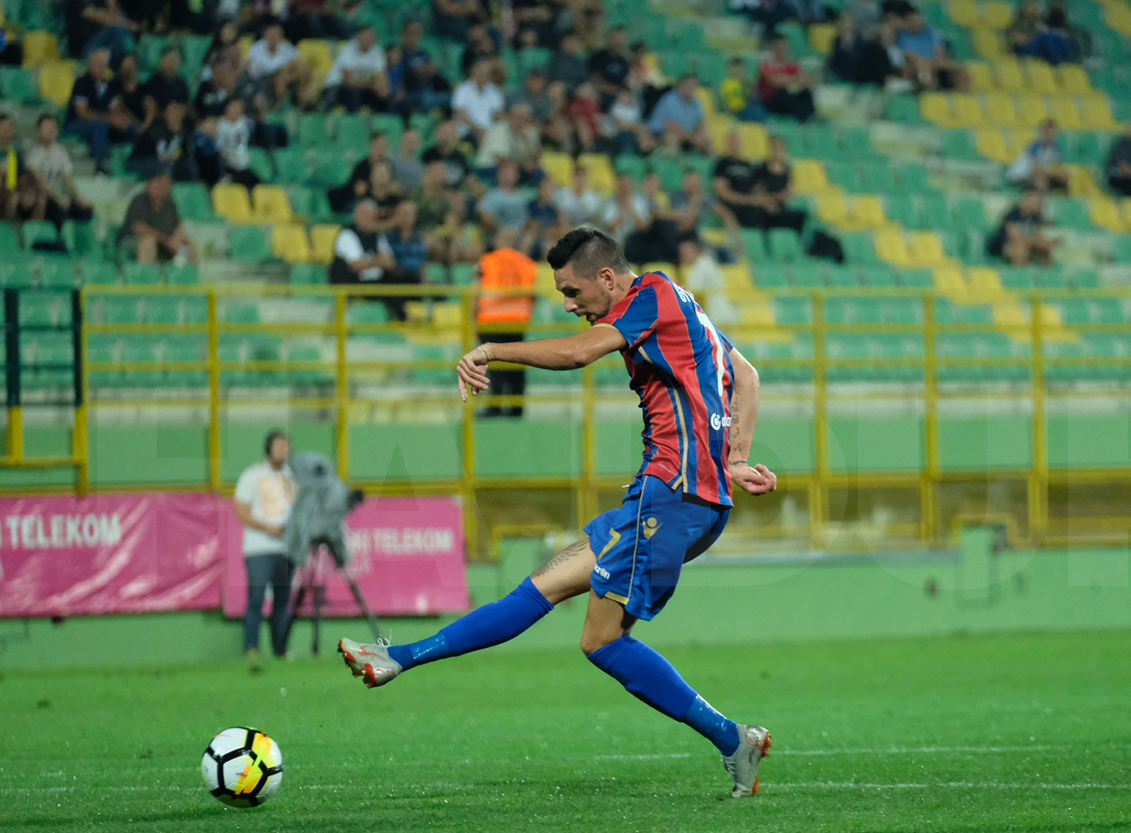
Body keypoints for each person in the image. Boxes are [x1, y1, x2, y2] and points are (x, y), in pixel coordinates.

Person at [338, 227, 778, 799]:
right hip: (672, 497)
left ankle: (731, 739)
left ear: (607, 278)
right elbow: (746, 375)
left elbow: (575, 354)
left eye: (573, 292)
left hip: (668, 497)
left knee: (601, 642)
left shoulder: (650, 296)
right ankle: (397, 657)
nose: (570, 306)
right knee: (537, 589)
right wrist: (732, 459)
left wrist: (492, 347)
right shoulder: (675, 300)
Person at [235, 429, 296, 661]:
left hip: (285, 549)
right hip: (259, 549)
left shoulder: (291, 477)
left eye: (287, 446)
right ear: (269, 448)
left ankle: (280, 650)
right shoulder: (252, 475)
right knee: (256, 599)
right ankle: (252, 648)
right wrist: (266, 527)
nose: (285, 450)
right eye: (281, 445)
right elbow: (241, 511)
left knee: (282, 601)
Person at [473, 228, 536, 417]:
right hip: (517, 323)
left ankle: (495, 408)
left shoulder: (486, 262)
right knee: (516, 367)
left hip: (491, 322)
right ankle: (517, 409)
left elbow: (474, 292)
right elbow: (532, 295)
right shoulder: (526, 263)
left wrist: (472, 322)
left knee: (496, 369)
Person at [66, 47, 134, 174]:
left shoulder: (109, 86)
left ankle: (134, 162)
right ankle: (100, 163)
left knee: (130, 126)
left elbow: (116, 108)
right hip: (76, 124)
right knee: (100, 126)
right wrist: (109, 119)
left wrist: (121, 119)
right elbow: (82, 113)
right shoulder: (82, 83)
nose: (98, 66)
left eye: (102, 63)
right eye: (95, 63)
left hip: (102, 121)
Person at [24, 113, 94, 228]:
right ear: (38, 130)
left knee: (86, 211)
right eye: (46, 128)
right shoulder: (33, 151)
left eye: (53, 128)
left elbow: (66, 177)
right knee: (59, 209)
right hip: (40, 196)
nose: (50, 131)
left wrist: (78, 196)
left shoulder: (60, 150)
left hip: (56, 194)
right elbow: (39, 182)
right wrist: (57, 198)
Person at [120, 168, 197, 262]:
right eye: (158, 182)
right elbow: (140, 229)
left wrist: (179, 239)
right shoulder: (140, 201)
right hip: (134, 240)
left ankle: (187, 273)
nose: (161, 186)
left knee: (187, 243)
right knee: (149, 241)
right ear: (150, 184)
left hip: (163, 241)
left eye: (165, 183)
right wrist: (166, 240)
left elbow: (177, 226)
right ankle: (145, 274)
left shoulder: (170, 204)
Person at [891, 7, 968, 92]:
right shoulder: (903, 36)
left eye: (917, 19)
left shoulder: (930, 32)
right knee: (921, 63)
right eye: (912, 20)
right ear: (907, 21)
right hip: (917, 64)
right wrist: (925, 61)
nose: (915, 22)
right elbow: (907, 54)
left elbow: (939, 49)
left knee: (962, 70)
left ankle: (964, 98)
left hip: (935, 61)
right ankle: (927, 92)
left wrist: (938, 60)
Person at [247, 21, 316, 108]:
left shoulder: (286, 47)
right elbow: (254, 71)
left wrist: (287, 70)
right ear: (265, 36)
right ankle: (279, 105)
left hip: (286, 75)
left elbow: (297, 62)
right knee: (282, 77)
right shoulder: (257, 48)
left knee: (304, 68)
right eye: (271, 35)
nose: (273, 38)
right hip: (265, 78)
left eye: (276, 35)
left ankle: (305, 101)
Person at [322, 24, 389, 112]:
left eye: (370, 37)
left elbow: (381, 77)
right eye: (365, 36)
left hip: (362, 89)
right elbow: (349, 81)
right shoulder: (349, 49)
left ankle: (382, 122)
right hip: (335, 89)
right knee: (353, 92)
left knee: (384, 98)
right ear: (358, 37)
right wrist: (372, 85)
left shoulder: (377, 51)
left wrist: (381, 89)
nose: (367, 39)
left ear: (374, 39)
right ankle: (352, 122)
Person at [129, 98, 195, 181]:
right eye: (173, 111)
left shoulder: (185, 130)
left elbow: (185, 155)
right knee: (166, 166)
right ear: (165, 114)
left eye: (179, 110)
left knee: (191, 166)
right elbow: (161, 155)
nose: (177, 114)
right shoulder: (156, 129)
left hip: (164, 162)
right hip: (142, 162)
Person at [987, 189, 1056, 266]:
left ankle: (1045, 273)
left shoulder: (1035, 218)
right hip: (1003, 245)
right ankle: (1017, 272)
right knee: (1021, 248)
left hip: (1025, 242)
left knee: (1045, 248)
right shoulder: (1013, 214)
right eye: (1035, 202)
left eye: (1039, 202)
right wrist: (1035, 241)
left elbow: (1037, 234)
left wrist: (1047, 242)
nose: (1038, 205)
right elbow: (1015, 236)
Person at [755, 34, 814, 123]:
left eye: (784, 46)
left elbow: (805, 81)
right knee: (783, 93)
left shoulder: (791, 65)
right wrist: (793, 80)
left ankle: (806, 122)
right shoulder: (767, 64)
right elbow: (774, 82)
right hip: (771, 100)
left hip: (788, 98)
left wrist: (790, 80)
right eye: (779, 46)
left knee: (805, 94)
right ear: (774, 47)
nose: (782, 49)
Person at [646, 73, 711, 153]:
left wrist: (701, 136)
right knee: (672, 137)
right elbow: (671, 126)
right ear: (681, 86)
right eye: (689, 85)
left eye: (694, 85)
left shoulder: (695, 103)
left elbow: (701, 122)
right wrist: (693, 139)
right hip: (659, 134)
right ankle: (671, 163)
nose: (692, 88)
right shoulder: (670, 99)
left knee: (707, 140)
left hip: (686, 136)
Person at [827, 11, 890, 87]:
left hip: (863, 83)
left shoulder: (868, 45)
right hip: (844, 83)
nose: (846, 26)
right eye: (843, 23)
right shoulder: (836, 42)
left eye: (849, 23)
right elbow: (834, 65)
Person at [451, 57, 505, 142]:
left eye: (487, 72)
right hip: (467, 132)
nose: (485, 74)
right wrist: (477, 129)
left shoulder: (494, 91)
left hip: (488, 132)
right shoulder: (463, 89)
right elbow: (461, 113)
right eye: (482, 71)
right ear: (474, 70)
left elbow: (498, 114)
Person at [1007, 119, 1068, 194]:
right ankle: (1041, 201)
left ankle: (1067, 202)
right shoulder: (1035, 146)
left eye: (1052, 131)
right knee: (1040, 178)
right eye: (1047, 131)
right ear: (1042, 132)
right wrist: (1051, 174)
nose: (1050, 134)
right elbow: (1036, 169)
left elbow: (1059, 167)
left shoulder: (1055, 147)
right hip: (1020, 176)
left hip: (1036, 175)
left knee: (1065, 177)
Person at [478, 158, 530, 233]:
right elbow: (485, 216)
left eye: (511, 172)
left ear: (517, 176)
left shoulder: (523, 195)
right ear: (499, 174)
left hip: (520, 232)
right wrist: (500, 229)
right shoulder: (492, 195)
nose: (507, 175)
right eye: (505, 172)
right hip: (500, 231)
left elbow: (526, 217)